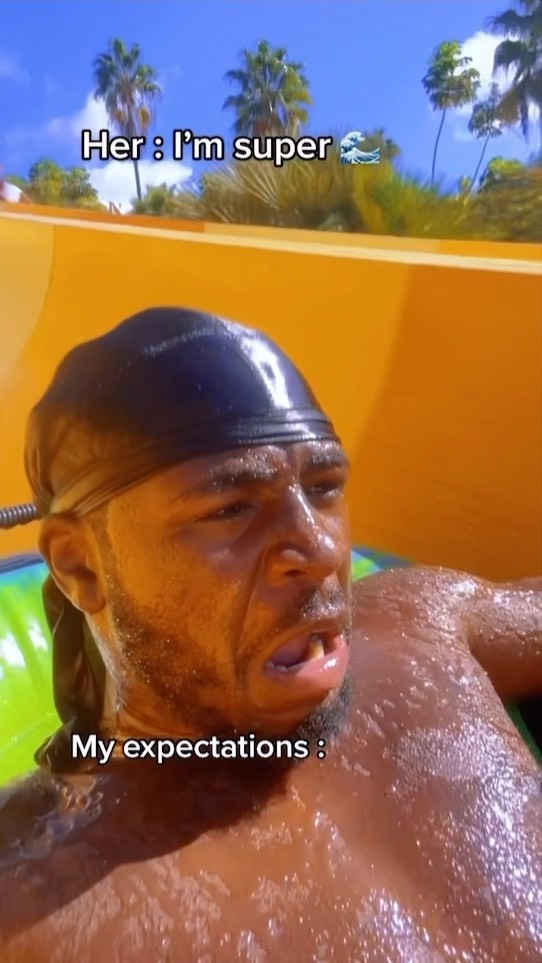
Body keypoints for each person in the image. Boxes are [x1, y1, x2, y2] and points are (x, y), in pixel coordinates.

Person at [0, 307, 540, 963]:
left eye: (325, 487)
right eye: (231, 509)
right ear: (82, 566)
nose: (321, 549)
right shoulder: (34, 901)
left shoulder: (423, 626)